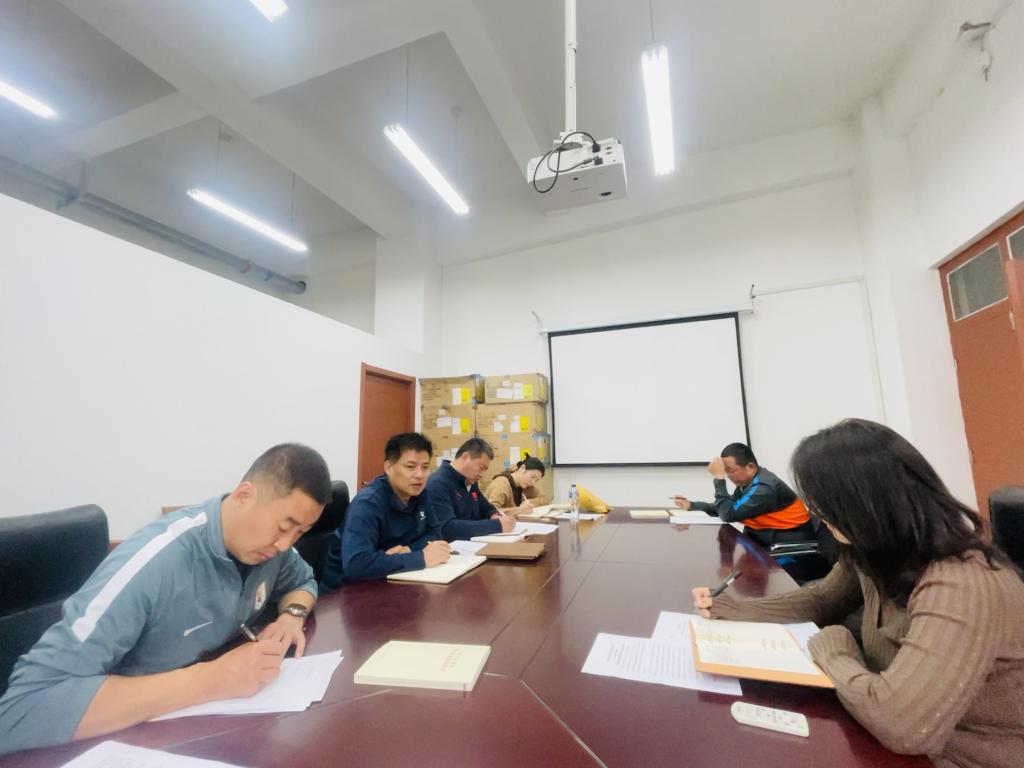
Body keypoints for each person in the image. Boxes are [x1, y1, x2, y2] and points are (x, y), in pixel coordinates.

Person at [691, 420, 1024, 767]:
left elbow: (900, 725)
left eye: (824, 505)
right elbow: (821, 600)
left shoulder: (962, 583)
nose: (817, 515)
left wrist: (835, 649)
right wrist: (733, 609)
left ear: (866, 504)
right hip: (896, 736)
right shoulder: (873, 551)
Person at [0, 443, 331, 756]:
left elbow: (302, 580)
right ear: (244, 496)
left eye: (299, 532)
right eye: (284, 526)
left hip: (204, 728)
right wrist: (212, 680)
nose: (286, 545)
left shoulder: (269, 550)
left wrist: (293, 615)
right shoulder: (154, 563)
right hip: (124, 740)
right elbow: (23, 708)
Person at [321, 432, 450, 588]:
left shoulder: (420, 493)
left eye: (425, 467)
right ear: (388, 467)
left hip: (394, 580)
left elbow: (435, 534)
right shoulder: (367, 503)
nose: (420, 475)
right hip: (347, 591)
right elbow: (356, 565)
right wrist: (421, 558)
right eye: (410, 467)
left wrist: (410, 549)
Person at [672, 442, 815, 548]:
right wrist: (692, 505)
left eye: (731, 471)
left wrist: (719, 479)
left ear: (751, 467)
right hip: (764, 539)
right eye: (725, 472)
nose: (728, 476)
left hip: (788, 548)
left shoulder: (764, 488)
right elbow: (728, 507)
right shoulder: (748, 483)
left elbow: (728, 514)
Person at [426, 437, 517, 540]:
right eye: (481, 468)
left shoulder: (469, 481)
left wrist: (493, 515)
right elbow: (447, 528)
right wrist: (497, 526)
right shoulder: (438, 483)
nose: (482, 474)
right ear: (465, 457)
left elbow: (486, 508)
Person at [484, 454, 549, 514]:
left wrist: (530, 502)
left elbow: (545, 499)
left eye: (536, 480)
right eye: (532, 477)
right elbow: (491, 512)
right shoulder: (501, 483)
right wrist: (519, 510)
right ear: (523, 468)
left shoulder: (525, 485)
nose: (533, 482)